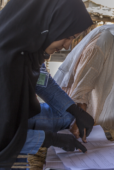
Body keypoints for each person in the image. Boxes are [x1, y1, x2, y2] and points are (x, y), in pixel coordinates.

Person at [0, 0, 94, 168]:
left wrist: (74, 110)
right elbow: (4, 137)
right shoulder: (5, 64)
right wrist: (51, 139)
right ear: (49, 23)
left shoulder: (27, 52)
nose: (67, 46)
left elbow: (41, 80)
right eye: (68, 36)